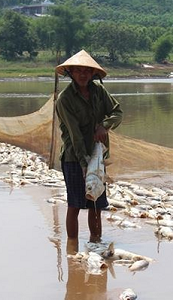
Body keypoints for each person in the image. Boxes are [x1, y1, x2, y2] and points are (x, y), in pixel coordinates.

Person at [55, 50, 123, 243]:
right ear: (71, 73)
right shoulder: (65, 99)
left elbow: (118, 112)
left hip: (98, 156)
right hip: (74, 158)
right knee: (75, 205)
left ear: (93, 74)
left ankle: (96, 243)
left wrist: (105, 126)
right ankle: (73, 247)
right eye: (78, 71)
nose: (83, 75)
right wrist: (85, 164)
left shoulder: (99, 92)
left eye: (87, 71)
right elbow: (75, 135)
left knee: (96, 205)